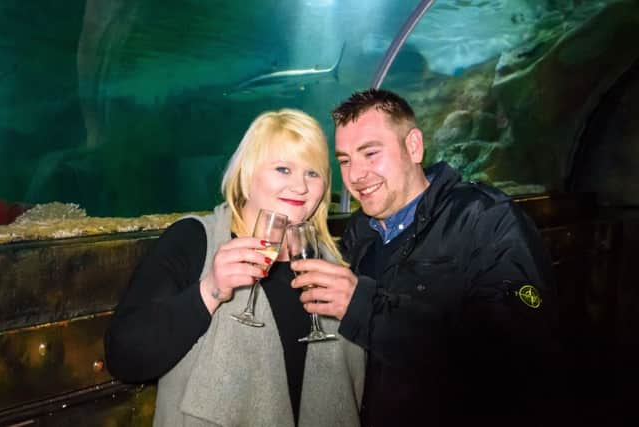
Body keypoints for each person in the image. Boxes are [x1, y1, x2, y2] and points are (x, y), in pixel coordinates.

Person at [291, 89, 562, 426]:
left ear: (414, 146)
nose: (355, 176)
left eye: (371, 153)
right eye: (345, 160)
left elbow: (516, 356)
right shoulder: (360, 232)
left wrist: (366, 308)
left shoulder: (487, 219)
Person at [104, 109, 365, 427]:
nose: (300, 186)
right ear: (246, 173)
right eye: (283, 169)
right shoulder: (195, 239)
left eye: (313, 173)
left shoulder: (333, 259)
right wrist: (209, 290)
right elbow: (125, 358)